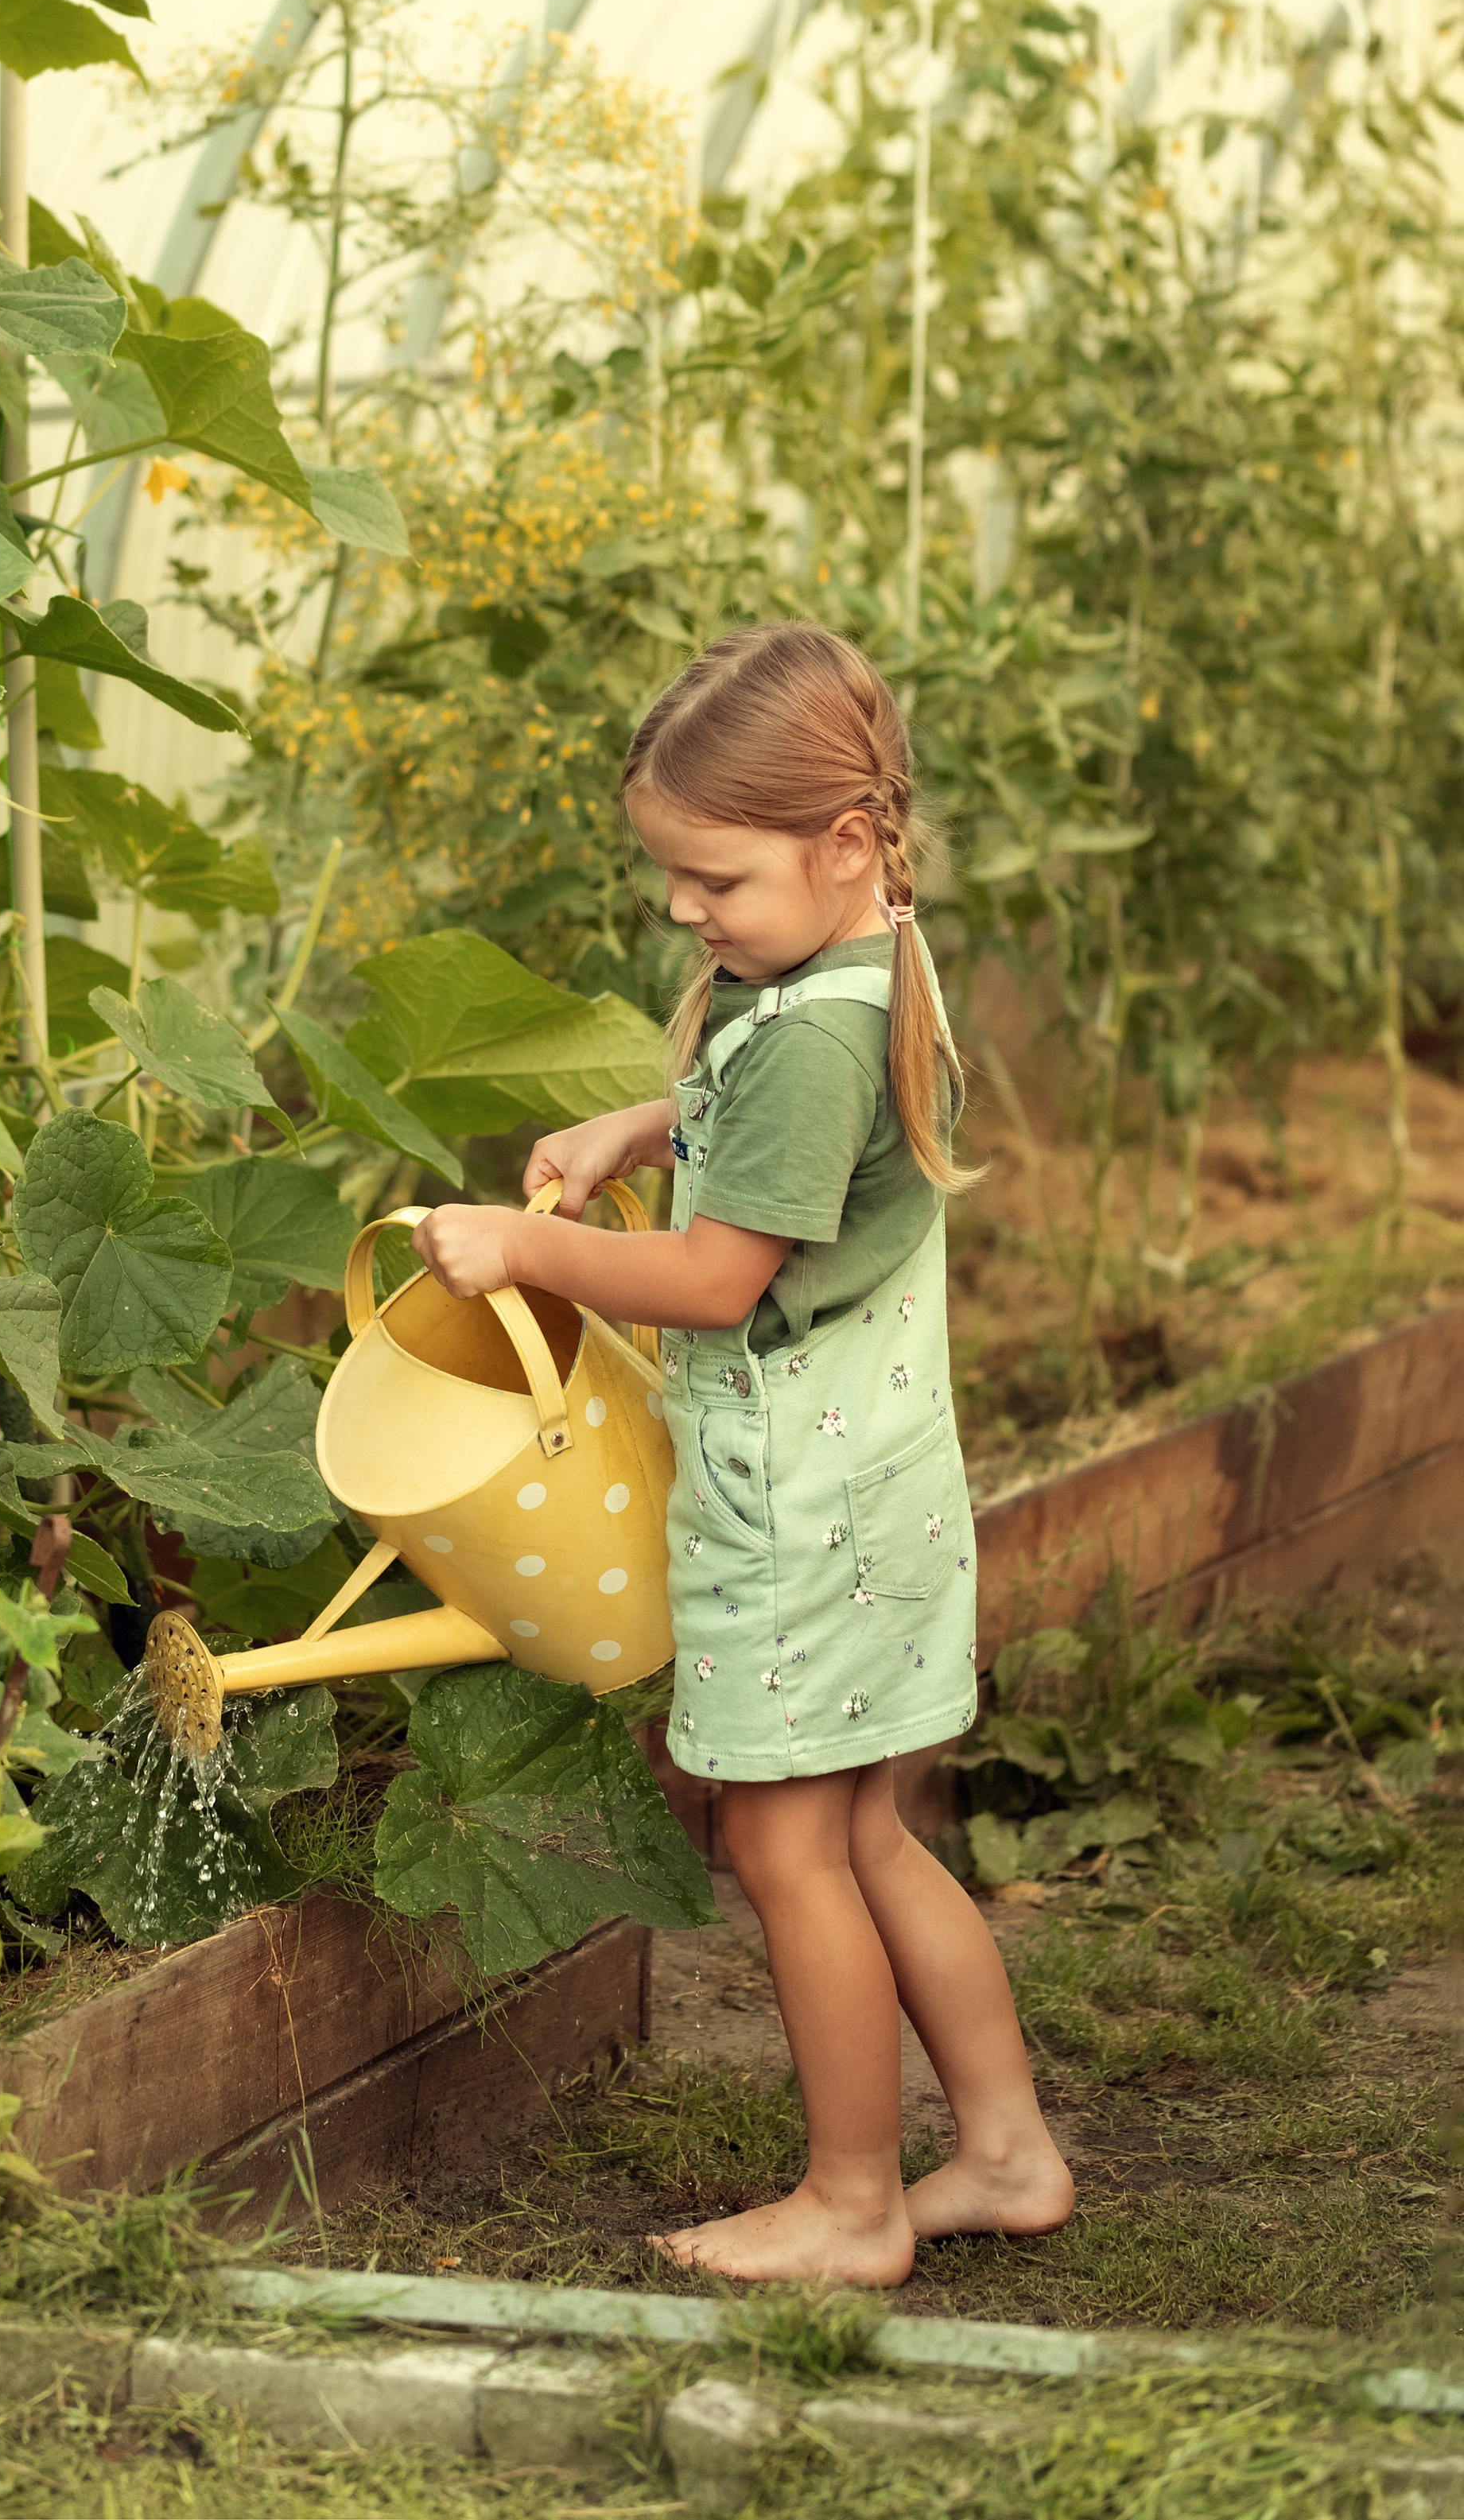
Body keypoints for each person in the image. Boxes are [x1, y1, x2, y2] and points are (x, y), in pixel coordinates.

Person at [411, 621, 1074, 2288]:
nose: (688, 912)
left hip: (794, 1509)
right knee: (862, 1833)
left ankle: (851, 2203)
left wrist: (524, 1246)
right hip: (881, 1490)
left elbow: (713, 1277)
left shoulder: (802, 1031)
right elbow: (792, 1146)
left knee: (782, 1844)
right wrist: (647, 1121)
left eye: (712, 879)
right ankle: (998, 2148)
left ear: (839, 840)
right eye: (672, 883)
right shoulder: (867, 956)